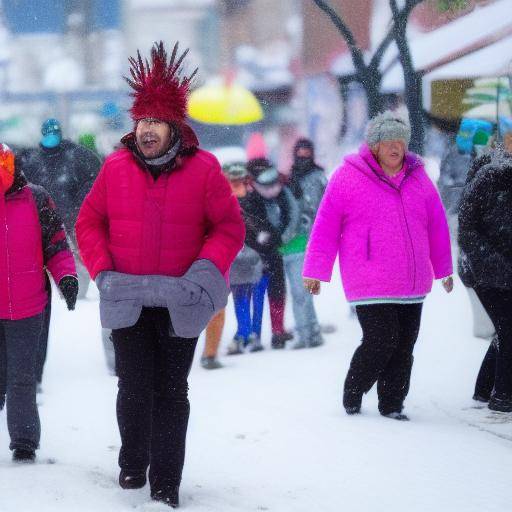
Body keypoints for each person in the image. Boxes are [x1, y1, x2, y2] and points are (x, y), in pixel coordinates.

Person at [75, 41, 244, 508]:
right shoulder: (114, 167)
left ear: (174, 126)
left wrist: (203, 275)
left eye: (156, 121)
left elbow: (229, 227)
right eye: (142, 120)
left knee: (172, 391)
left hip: (180, 301)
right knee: (133, 388)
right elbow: (88, 222)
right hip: (126, 297)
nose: (147, 129)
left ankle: (166, 480)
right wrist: (103, 272)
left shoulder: (206, 170)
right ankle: (133, 462)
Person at [303, 111, 453, 421]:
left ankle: (392, 404)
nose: (396, 148)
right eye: (388, 142)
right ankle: (354, 389)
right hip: (369, 278)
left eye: (400, 142)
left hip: (412, 281)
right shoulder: (348, 177)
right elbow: (325, 226)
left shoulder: (419, 177)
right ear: (374, 146)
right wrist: (316, 271)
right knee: (382, 340)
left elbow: (437, 225)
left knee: (404, 346)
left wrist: (444, 269)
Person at [0, 142, 77, 462]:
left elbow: (57, 244)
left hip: (28, 305)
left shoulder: (36, 197)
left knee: (21, 376)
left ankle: (24, 440)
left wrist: (67, 278)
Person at [15, 118, 102, 389]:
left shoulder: (75, 157)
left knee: (67, 269)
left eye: (54, 133)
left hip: (67, 227)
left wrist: (78, 211)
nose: (50, 137)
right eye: (47, 133)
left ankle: (33, 374)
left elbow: (90, 183)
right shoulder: (30, 160)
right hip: (34, 235)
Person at [458, 129, 512, 412]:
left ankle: (483, 389)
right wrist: (499, 267)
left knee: (506, 329)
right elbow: (467, 231)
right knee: (509, 326)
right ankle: (503, 397)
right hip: (483, 271)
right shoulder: (488, 176)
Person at [243, 157, 299, 350]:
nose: (272, 189)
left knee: (278, 291)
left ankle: (277, 331)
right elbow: (252, 225)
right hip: (257, 255)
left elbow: (292, 215)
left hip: (275, 252)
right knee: (256, 293)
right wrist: (263, 238)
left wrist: (281, 237)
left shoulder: (283, 193)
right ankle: (252, 334)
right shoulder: (250, 200)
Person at [281, 138, 326, 349]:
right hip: (292, 242)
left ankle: (309, 331)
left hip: (310, 240)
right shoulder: (290, 178)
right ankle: (309, 330)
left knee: (302, 291)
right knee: (300, 291)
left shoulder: (319, 178)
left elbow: (325, 208)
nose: (303, 157)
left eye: (307, 153)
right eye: (300, 153)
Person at [222, 162, 263, 356]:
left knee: (254, 295)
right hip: (236, 255)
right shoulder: (222, 199)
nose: (236, 182)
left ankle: (251, 333)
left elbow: (261, 225)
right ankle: (245, 333)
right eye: (233, 179)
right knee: (241, 295)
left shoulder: (253, 198)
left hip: (253, 254)